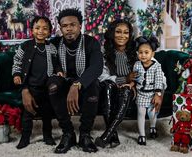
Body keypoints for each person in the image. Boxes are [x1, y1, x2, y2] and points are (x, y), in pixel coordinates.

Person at [47, 8, 103, 153]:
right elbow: (46, 61)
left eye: (73, 24)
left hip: (83, 84)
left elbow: (97, 67)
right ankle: (68, 134)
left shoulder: (91, 42)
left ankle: (85, 134)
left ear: (80, 26)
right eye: (65, 26)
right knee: (53, 84)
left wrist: (76, 85)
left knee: (94, 84)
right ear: (60, 28)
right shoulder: (54, 43)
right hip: (63, 83)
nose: (69, 29)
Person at [12, 16, 63, 149]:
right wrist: (17, 74)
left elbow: (56, 62)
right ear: (32, 30)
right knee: (27, 115)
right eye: (37, 28)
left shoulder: (51, 47)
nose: (41, 31)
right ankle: (25, 137)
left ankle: (47, 135)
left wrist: (58, 71)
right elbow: (17, 61)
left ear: (49, 32)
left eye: (45, 28)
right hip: (31, 86)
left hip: (46, 86)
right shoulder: (26, 46)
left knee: (47, 114)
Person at [95, 19, 138, 148]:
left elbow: (143, 71)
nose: (122, 36)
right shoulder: (104, 52)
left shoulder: (135, 52)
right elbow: (102, 76)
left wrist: (132, 83)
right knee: (108, 85)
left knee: (125, 91)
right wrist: (124, 79)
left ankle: (107, 135)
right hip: (111, 87)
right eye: (118, 32)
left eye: (126, 32)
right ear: (112, 33)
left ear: (130, 35)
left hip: (129, 88)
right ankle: (113, 136)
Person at [133, 36, 165, 145]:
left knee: (152, 113)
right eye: (140, 52)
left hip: (152, 94)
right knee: (141, 113)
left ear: (152, 54)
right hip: (141, 94)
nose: (143, 55)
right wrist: (131, 83)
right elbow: (135, 77)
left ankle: (152, 127)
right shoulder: (137, 65)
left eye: (146, 52)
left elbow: (159, 80)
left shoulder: (157, 66)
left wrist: (158, 94)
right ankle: (142, 135)